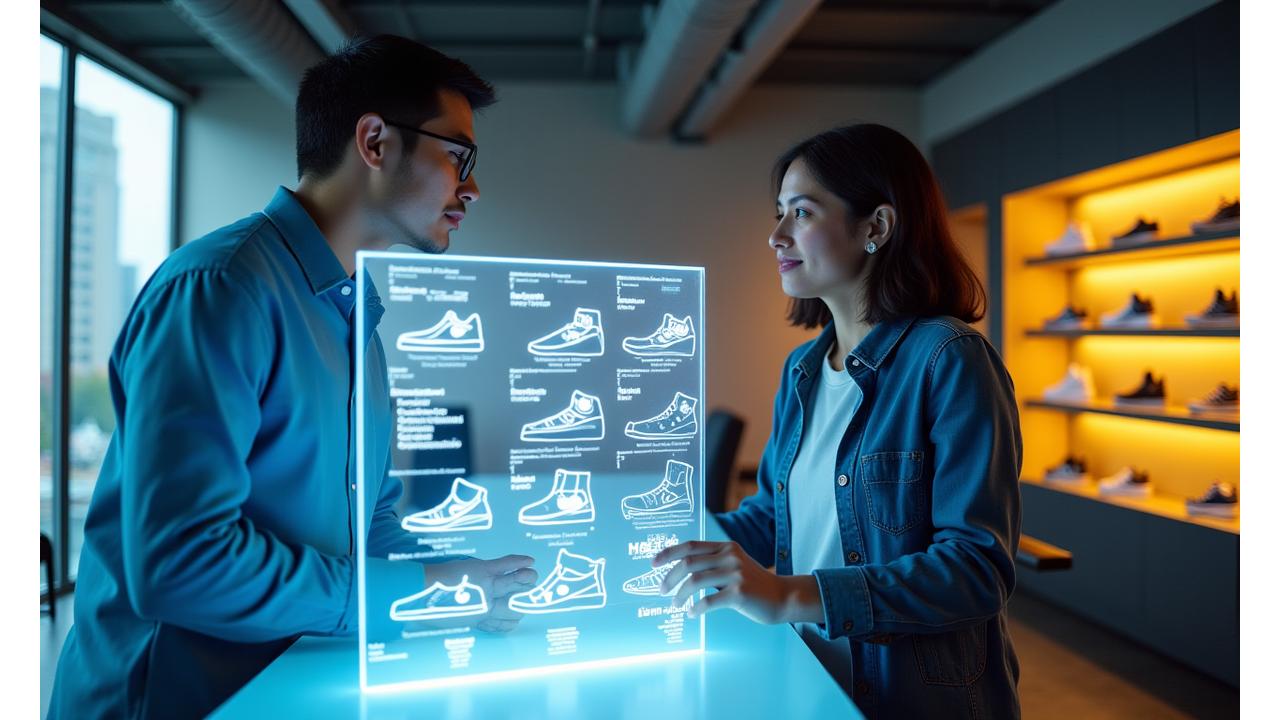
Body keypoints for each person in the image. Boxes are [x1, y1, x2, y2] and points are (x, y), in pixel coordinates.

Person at [48, 35, 536, 719]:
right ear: (374, 142)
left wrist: (463, 587)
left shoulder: (356, 315)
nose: (472, 188)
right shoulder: (221, 289)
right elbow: (181, 562)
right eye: (458, 156)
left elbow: (369, 523)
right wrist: (419, 588)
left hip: (284, 690)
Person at [655, 124, 1022, 718]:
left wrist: (787, 595)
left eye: (801, 212)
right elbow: (773, 515)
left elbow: (976, 569)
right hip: (815, 677)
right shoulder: (802, 368)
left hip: (914, 699)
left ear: (876, 227)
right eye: (779, 213)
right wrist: (664, 541)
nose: (775, 235)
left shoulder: (949, 358)